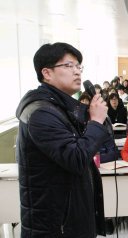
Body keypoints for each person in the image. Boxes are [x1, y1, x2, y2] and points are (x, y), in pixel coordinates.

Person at [16, 42, 110, 236]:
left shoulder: (60, 108)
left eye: (78, 66)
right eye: (68, 66)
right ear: (47, 73)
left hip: (69, 219)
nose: (77, 72)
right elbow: (76, 158)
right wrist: (96, 121)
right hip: (55, 226)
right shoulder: (41, 113)